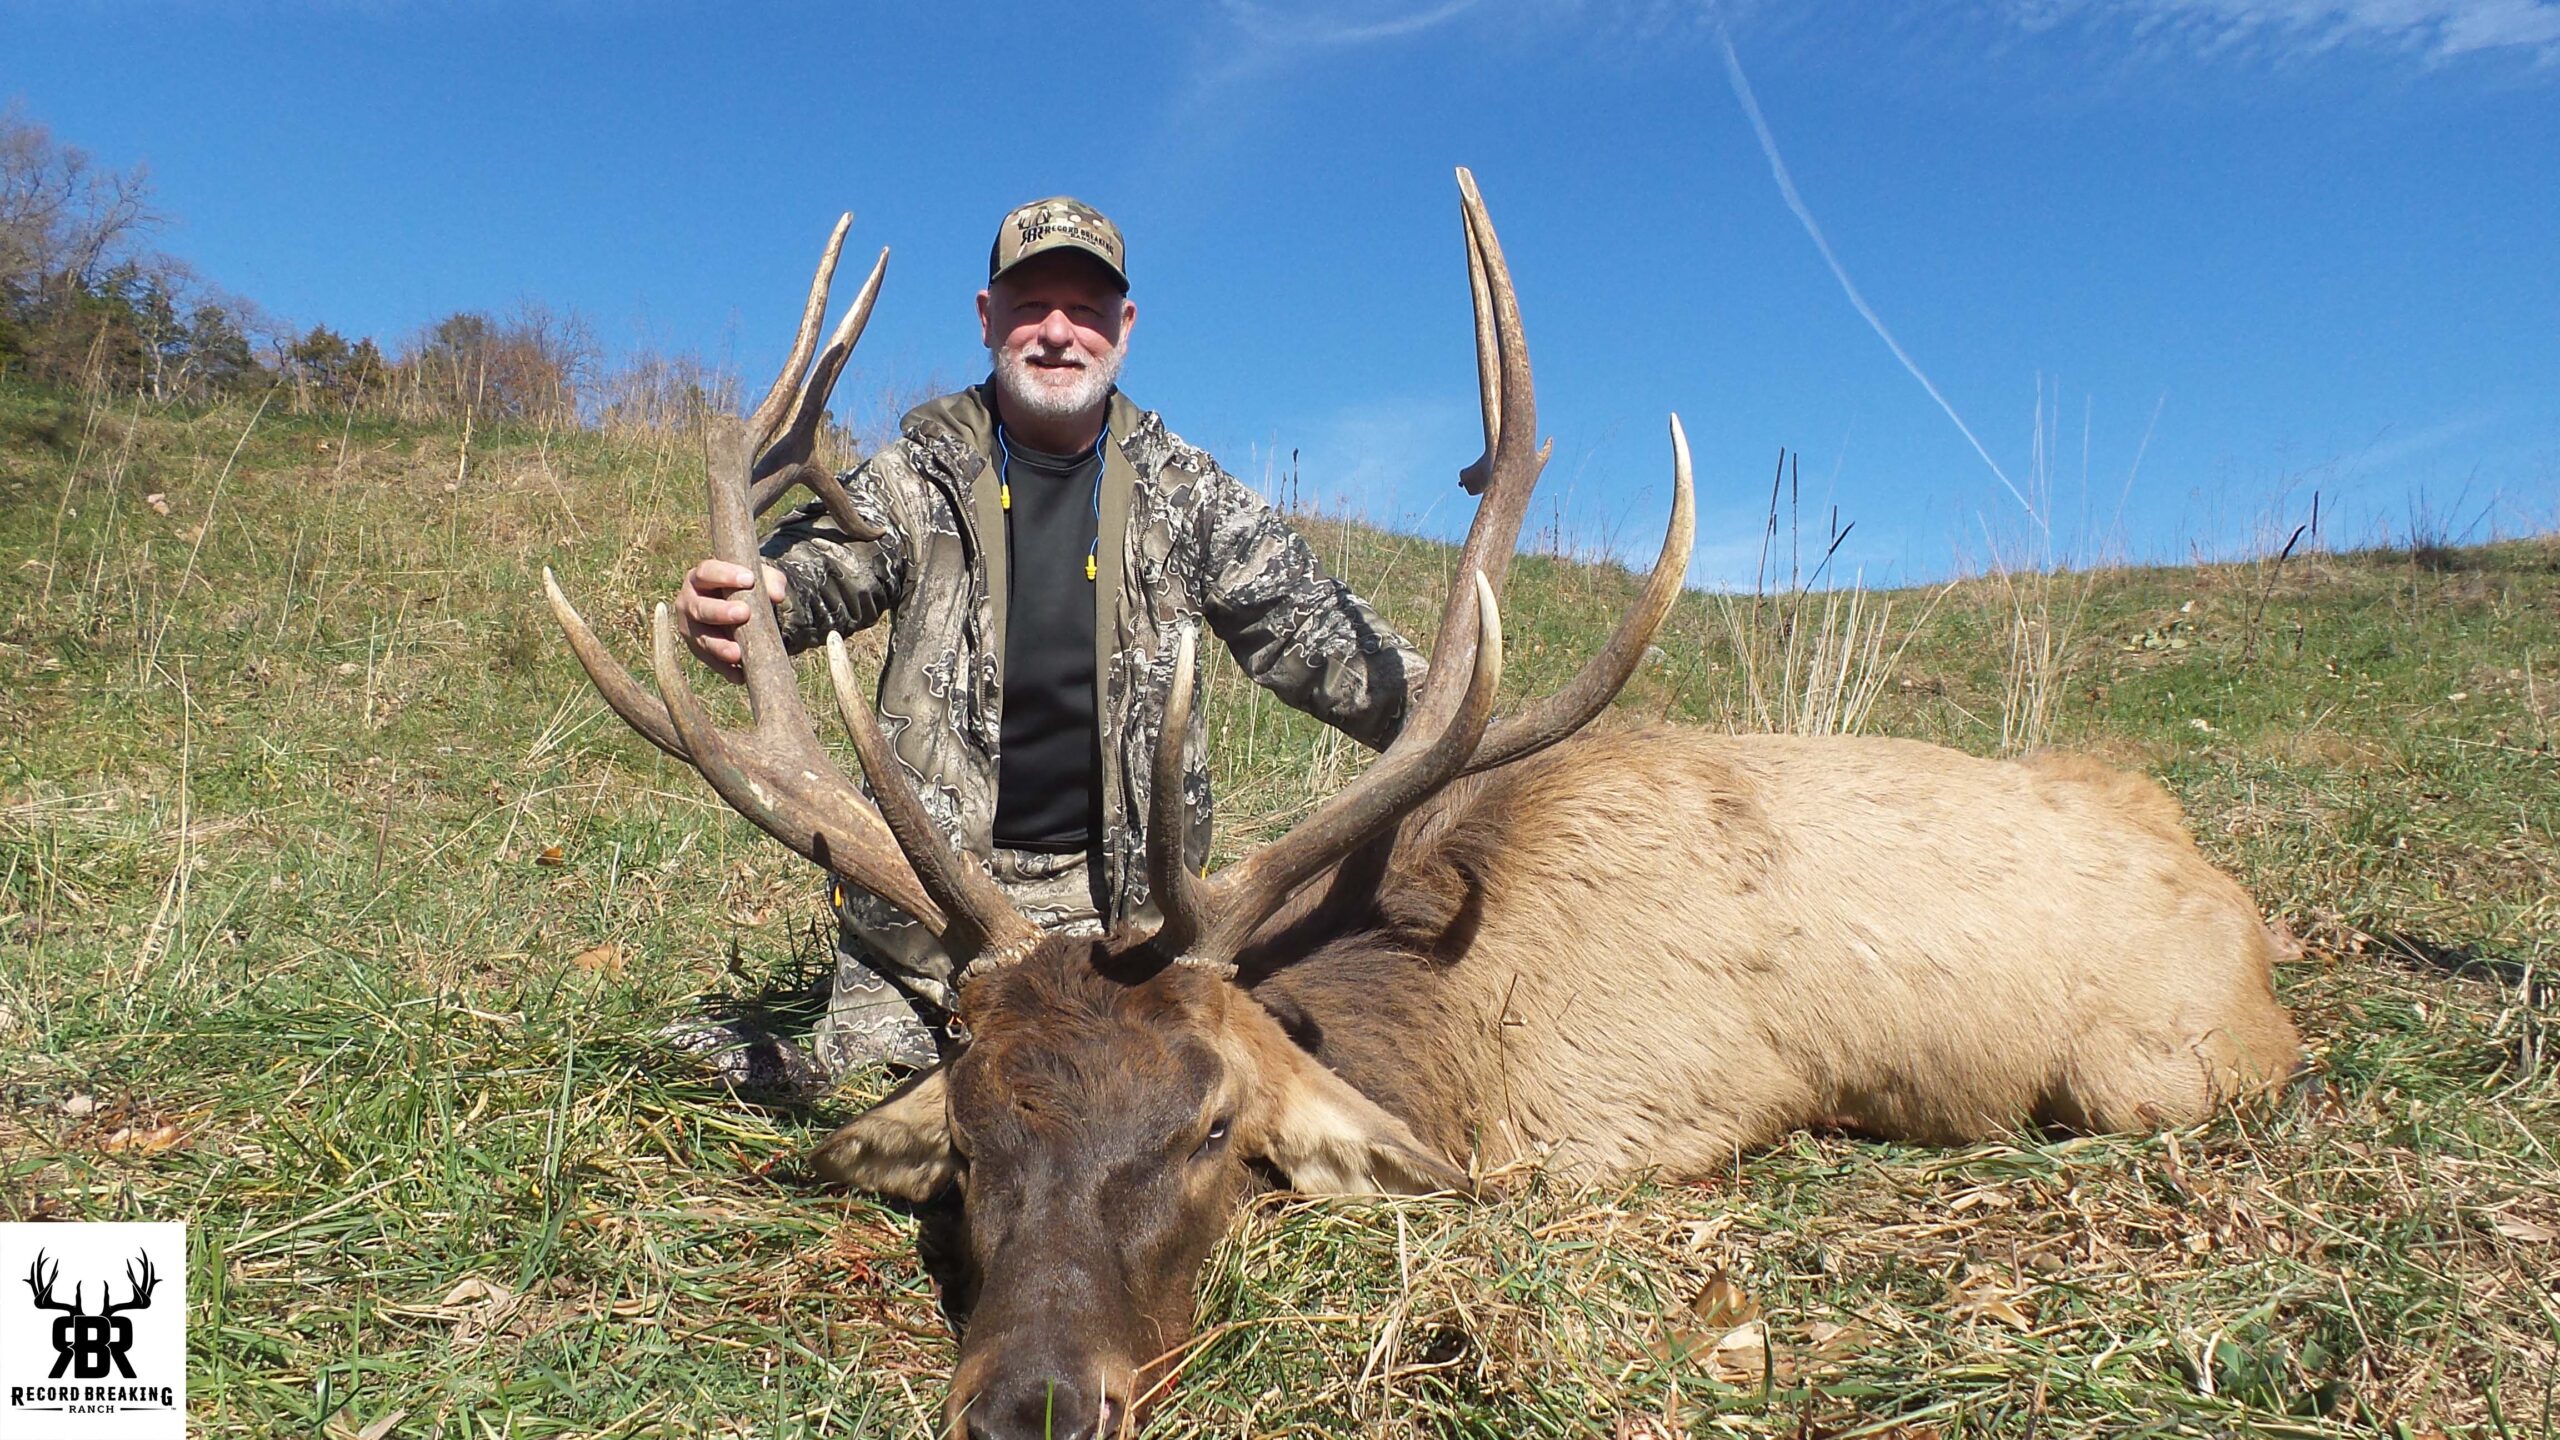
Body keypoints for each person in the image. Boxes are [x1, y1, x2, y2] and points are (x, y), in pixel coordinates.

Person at [674, 196, 1427, 1081]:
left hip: (1126, 938)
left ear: (1124, 326)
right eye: (1031, 305)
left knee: (1121, 1100)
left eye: (1086, 308)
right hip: (932, 921)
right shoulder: (919, 476)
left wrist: (1447, 713)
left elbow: (1311, 628)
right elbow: (826, 562)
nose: (1059, 332)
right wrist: (757, 599)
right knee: (893, 1096)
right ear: (988, 318)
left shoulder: (1189, 495)